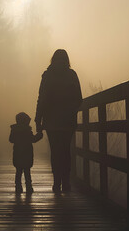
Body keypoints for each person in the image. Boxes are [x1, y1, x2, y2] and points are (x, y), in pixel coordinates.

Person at [35, 49, 82, 193]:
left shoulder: (48, 75)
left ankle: (56, 183)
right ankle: (66, 182)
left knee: (55, 152)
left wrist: (38, 120)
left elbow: (41, 98)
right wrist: (71, 111)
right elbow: (79, 99)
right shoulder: (72, 75)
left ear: (53, 59)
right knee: (66, 151)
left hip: (51, 121)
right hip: (67, 121)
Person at [9, 112, 43, 194]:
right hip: (27, 154)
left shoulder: (14, 130)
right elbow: (33, 139)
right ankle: (28, 187)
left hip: (17, 154)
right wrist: (40, 135)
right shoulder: (27, 131)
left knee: (18, 171)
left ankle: (18, 187)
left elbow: (11, 140)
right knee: (27, 172)